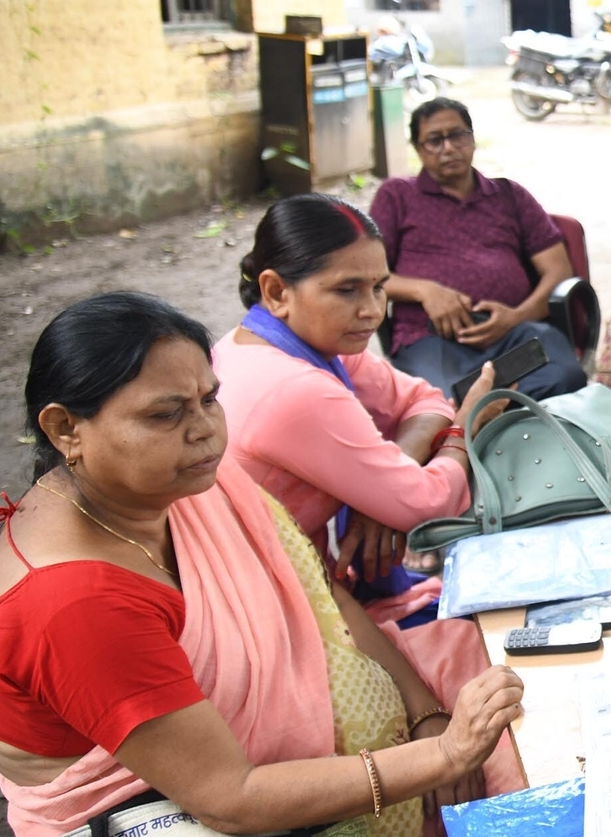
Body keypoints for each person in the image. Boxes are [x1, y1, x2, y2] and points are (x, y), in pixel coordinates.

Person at [0, 292, 524, 837]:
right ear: (65, 430)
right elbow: (231, 798)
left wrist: (423, 714)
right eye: (165, 413)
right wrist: (444, 756)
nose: (203, 428)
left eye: (209, 399)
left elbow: (319, 594)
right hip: (178, 808)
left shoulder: (188, 483)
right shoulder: (73, 604)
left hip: (312, 743)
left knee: (512, 687)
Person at [211, 194, 526, 798]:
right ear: (276, 290)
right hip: (286, 617)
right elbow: (430, 500)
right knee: (492, 679)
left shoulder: (279, 345)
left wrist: (382, 485)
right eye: (347, 290)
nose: (374, 311)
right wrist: (461, 434)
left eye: (380, 287)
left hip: (321, 584)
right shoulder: (296, 387)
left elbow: (421, 398)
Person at [369, 97, 587, 400]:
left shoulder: (509, 195)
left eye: (457, 135)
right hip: (431, 339)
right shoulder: (397, 196)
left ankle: (494, 421)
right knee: (441, 400)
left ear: (471, 139)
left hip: (514, 334)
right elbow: (368, 275)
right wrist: (425, 290)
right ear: (418, 150)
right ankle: (479, 422)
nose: (448, 148)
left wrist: (516, 316)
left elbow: (558, 270)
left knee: (566, 377)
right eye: (434, 140)